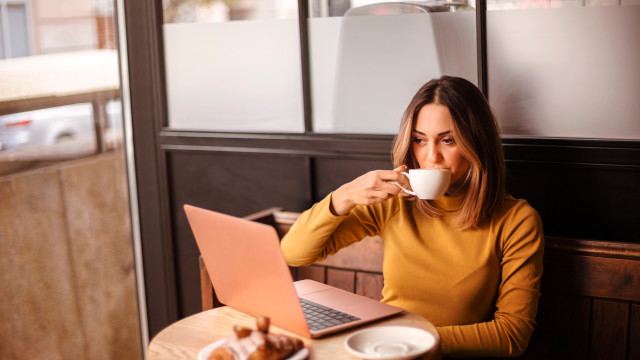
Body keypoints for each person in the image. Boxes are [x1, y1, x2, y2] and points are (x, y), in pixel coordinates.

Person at [280, 76, 544, 358]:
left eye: (448, 140)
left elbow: (512, 335)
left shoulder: (517, 220)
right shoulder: (395, 202)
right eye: (419, 140)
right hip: (384, 350)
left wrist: (410, 338)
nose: (432, 156)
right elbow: (293, 253)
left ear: (477, 144)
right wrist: (342, 196)